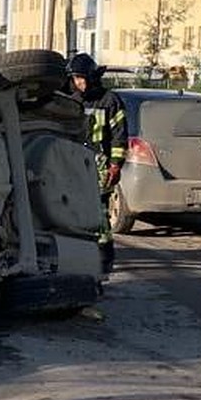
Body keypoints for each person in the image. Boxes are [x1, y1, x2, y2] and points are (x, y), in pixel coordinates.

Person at [65, 53, 128, 275]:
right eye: (74, 79)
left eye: (80, 78)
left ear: (91, 77)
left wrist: (115, 164)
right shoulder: (69, 100)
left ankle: (104, 258)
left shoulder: (110, 101)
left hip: (99, 166)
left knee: (99, 214)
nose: (77, 83)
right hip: (73, 164)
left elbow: (119, 136)